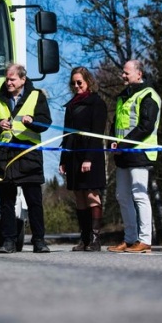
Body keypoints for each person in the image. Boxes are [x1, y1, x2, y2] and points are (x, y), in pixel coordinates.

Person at [0, 63, 52, 253]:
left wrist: (33, 122)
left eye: (12, 79)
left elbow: (46, 122)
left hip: (28, 156)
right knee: (6, 203)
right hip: (5, 158)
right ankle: (8, 241)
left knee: (34, 202)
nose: (8, 82)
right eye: (7, 79)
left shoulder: (37, 96)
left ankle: (39, 241)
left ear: (22, 79)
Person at [107, 60, 161, 253]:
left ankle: (145, 240)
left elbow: (145, 126)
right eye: (123, 72)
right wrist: (112, 142)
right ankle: (130, 239)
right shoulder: (123, 96)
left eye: (126, 72)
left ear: (139, 74)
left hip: (140, 152)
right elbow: (116, 125)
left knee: (139, 195)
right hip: (123, 153)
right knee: (122, 195)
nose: (123, 75)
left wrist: (124, 144)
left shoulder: (148, 95)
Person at [58, 67, 107, 252]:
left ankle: (95, 239)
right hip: (73, 155)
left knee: (91, 194)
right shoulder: (71, 105)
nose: (76, 85)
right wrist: (63, 159)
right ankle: (84, 238)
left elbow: (97, 133)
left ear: (88, 81)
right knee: (78, 195)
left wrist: (89, 158)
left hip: (91, 154)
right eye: (73, 83)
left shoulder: (97, 103)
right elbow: (66, 135)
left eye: (80, 82)